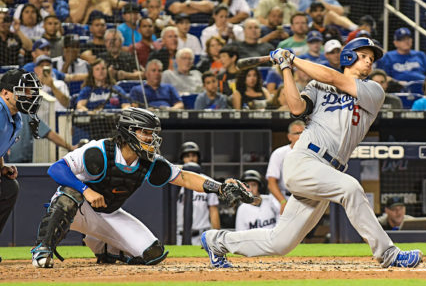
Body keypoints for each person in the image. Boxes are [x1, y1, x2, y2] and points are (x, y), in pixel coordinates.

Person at [201, 38, 423, 268]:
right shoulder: (317, 87)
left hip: (327, 172)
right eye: (364, 55)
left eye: (371, 58)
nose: (369, 61)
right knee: (351, 188)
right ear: (348, 56)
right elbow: (297, 108)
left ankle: (218, 241)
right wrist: (286, 68)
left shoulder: (373, 90)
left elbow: (335, 78)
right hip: (305, 160)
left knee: (281, 242)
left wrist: (293, 59)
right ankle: (388, 253)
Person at [30, 107, 255, 268]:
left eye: (152, 133)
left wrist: (220, 188)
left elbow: (184, 178)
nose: (151, 138)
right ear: (129, 132)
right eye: (145, 132)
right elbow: (56, 169)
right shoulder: (98, 151)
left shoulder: (149, 161)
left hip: (109, 213)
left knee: (152, 255)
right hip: (79, 208)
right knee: (69, 195)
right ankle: (43, 248)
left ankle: (103, 249)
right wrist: (85, 189)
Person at [0, 69, 42, 256]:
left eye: (30, 91)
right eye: (23, 90)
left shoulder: (17, 118)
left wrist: (2, 167)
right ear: (5, 93)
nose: (29, 95)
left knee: (9, 188)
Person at [176, 141, 220, 245]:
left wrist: (217, 238)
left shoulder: (208, 182)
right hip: (178, 235)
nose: (191, 159)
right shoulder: (174, 182)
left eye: (194, 155)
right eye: (187, 156)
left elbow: (213, 210)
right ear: (182, 159)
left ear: (198, 158)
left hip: (201, 235)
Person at [266, 120, 305, 214]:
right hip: (284, 196)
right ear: (289, 137)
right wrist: (283, 202)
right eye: (297, 133)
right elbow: (271, 183)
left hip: (305, 198)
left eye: (303, 133)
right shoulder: (279, 153)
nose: (301, 136)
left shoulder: (311, 154)